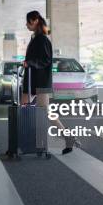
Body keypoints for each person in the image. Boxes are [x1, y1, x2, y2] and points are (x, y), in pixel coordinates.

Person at [22, 10, 76, 154]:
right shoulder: (35, 38)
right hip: (31, 80)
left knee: (45, 110)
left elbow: (46, 60)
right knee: (24, 108)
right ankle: (27, 141)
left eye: (28, 22)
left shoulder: (43, 39)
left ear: (35, 21)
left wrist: (30, 63)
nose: (26, 25)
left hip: (41, 80)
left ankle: (68, 137)